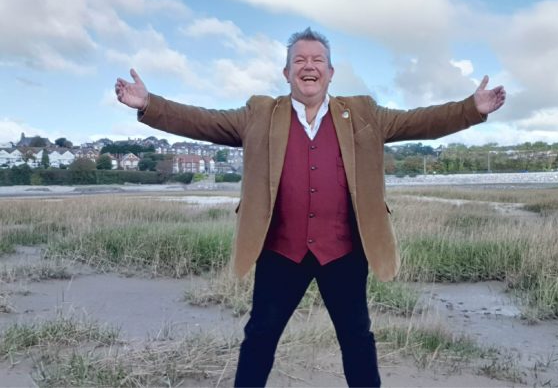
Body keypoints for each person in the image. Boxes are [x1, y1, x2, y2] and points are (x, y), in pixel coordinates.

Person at [115, 27, 506, 387]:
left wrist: (472, 108)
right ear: (286, 74)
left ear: (331, 72)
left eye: (317, 60)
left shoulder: (364, 112)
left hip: (345, 250)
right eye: (299, 60)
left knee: (356, 336)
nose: (308, 66)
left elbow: (420, 121)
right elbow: (201, 121)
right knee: (260, 335)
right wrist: (149, 104)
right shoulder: (259, 113)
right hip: (281, 250)